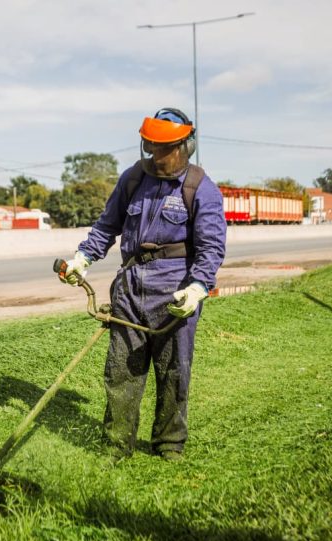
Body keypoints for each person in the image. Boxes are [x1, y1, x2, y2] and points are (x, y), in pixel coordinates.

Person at [60, 107, 226, 462]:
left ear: (186, 146)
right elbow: (108, 226)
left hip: (174, 291)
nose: (155, 154)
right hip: (130, 288)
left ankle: (169, 444)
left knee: (174, 372)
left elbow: (211, 247)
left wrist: (197, 288)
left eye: (163, 148)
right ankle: (117, 446)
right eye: (150, 146)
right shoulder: (133, 179)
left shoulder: (200, 187)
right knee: (122, 371)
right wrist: (83, 258)